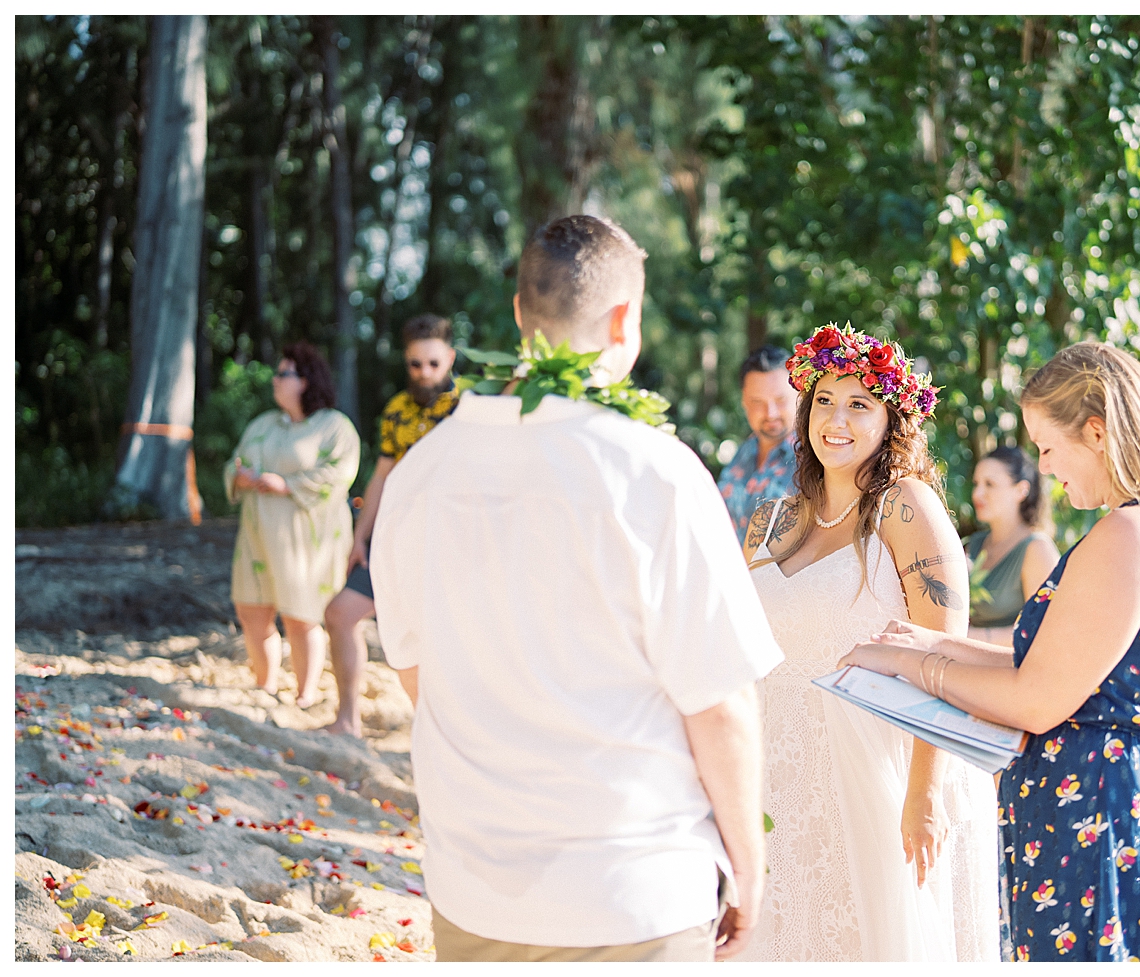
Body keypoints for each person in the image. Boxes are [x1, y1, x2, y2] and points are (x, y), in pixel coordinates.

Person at [369, 215, 782, 962]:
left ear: (521, 315)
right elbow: (720, 702)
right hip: (634, 892)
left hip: (477, 886)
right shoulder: (658, 472)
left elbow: (415, 673)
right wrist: (748, 863)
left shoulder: (419, 475)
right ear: (625, 318)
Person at [839, 341, 1140, 962]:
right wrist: (930, 642)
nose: (1046, 468)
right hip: (1119, 803)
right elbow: (1066, 670)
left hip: (1101, 821)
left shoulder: (1128, 535)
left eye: (1049, 447)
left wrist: (920, 668)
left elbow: (1039, 699)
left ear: (1098, 433)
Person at [737, 321, 1000, 962]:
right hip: (777, 769)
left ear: (892, 421)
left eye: (860, 404)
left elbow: (943, 659)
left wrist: (924, 794)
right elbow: (736, 651)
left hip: (877, 771)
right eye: (824, 399)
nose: (837, 419)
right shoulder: (769, 520)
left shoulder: (904, 508)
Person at [321, 314, 460, 736]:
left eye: (433, 363)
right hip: (397, 539)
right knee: (340, 614)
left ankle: (442, 737)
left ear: (450, 358)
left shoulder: (471, 406)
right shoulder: (397, 410)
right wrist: (360, 537)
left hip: (450, 545)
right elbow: (381, 475)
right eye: (416, 364)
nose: (425, 373)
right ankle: (347, 720)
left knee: (439, 646)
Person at [226, 341, 360, 708]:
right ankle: (265, 685)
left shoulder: (334, 426)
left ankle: (305, 694)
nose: (275, 379)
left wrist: (287, 485)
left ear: (305, 380)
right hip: (257, 536)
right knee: (252, 611)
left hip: (306, 543)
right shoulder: (262, 425)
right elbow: (234, 463)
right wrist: (239, 478)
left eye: (283, 373)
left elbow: (340, 474)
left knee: (301, 617)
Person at [964, 445, 1059, 646]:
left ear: (1021, 490)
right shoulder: (973, 544)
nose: (977, 493)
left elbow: (1043, 631)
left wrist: (963, 636)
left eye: (990, 484)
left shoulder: (1037, 549)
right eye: (976, 483)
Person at [717, 345, 799, 543]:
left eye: (780, 400)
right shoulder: (744, 451)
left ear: (800, 396)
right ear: (744, 401)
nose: (770, 413)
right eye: (757, 402)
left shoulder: (816, 460)